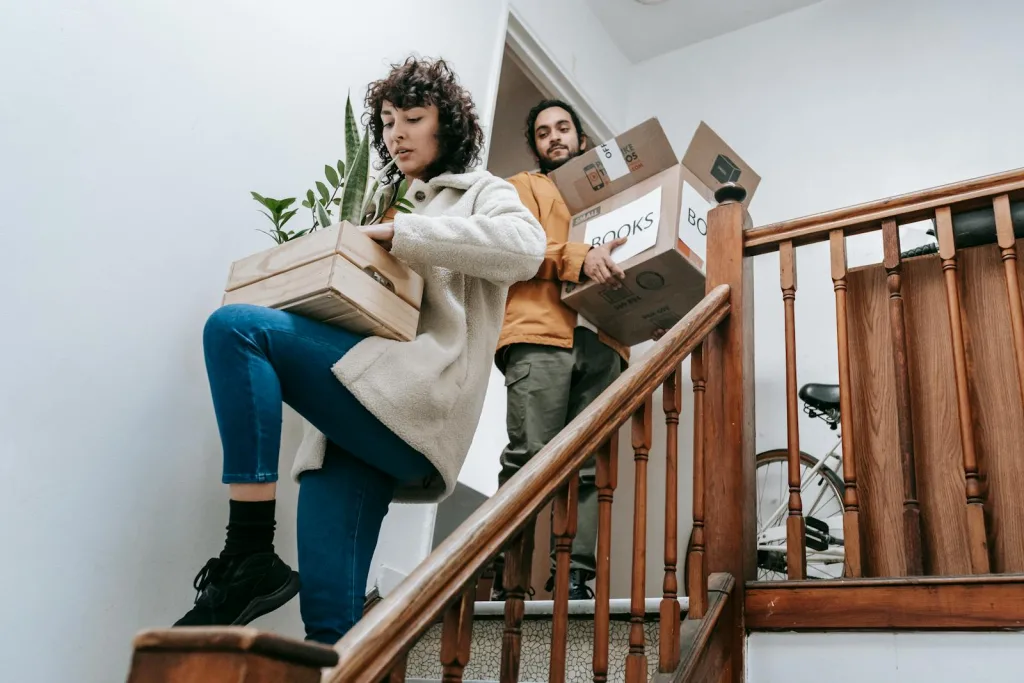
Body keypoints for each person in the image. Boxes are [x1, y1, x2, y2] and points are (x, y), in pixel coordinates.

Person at [171, 57, 546, 645]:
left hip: (414, 400)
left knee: (235, 329)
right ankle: (257, 570)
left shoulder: (480, 192)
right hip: (348, 419)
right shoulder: (376, 203)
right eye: (388, 120)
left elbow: (527, 249)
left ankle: (246, 549)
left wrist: (406, 234)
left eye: (413, 118)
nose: (396, 132)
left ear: (445, 126)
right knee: (329, 627)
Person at [491, 99, 636, 601]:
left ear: (580, 139)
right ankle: (505, 576)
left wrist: (656, 306)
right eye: (544, 132)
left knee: (591, 468)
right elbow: (517, 248)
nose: (555, 137)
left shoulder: (616, 197)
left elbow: (639, 253)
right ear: (535, 144)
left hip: (604, 340)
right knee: (530, 457)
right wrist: (580, 258)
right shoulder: (520, 188)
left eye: (564, 128)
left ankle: (574, 577)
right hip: (539, 334)